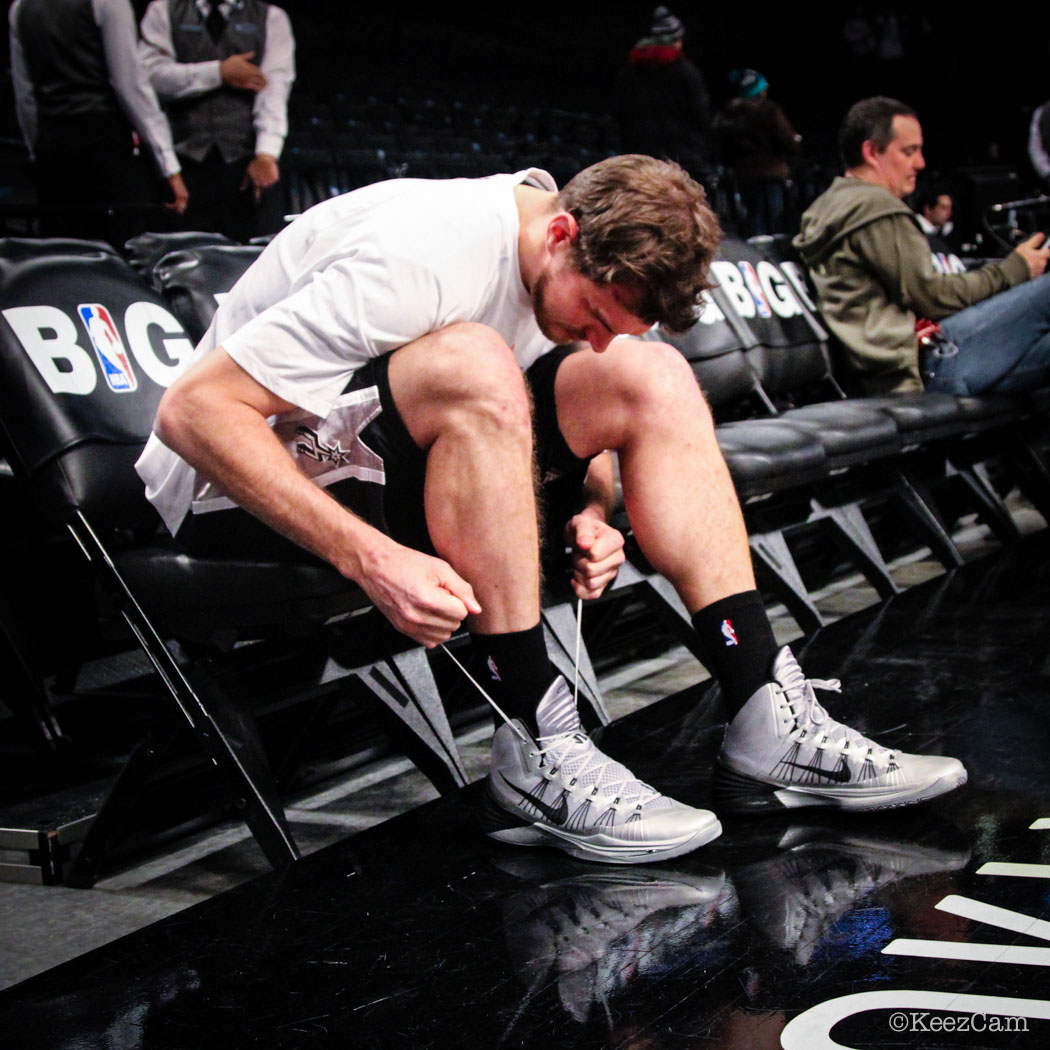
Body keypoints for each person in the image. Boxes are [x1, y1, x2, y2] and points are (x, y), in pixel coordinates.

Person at [136, 156, 967, 866]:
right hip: (232, 489)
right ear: (563, 234)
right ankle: (536, 746)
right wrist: (372, 559)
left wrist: (596, 505)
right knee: (472, 359)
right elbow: (194, 414)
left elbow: (566, 402)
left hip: (390, 457)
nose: (597, 338)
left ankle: (765, 720)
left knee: (651, 377)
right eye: (597, 317)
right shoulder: (420, 256)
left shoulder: (552, 263)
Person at [795, 96, 1050, 396]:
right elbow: (934, 296)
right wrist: (1016, 269)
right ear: (872, 152)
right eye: (909, 151)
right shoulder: (876, 208)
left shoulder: (828, 206)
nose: (921, 163)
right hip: (930, 365)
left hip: (897, 368)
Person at [8, 0, 188, 242]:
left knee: (63, 255)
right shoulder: (109, 2)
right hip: (104, 145)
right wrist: (168, 165)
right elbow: (129, 86)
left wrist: (37, 151)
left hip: (52, 147)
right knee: (116, 255)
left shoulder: (20, 7)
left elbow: (26, 98)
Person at [139, 0, 295, 240]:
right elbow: (148, 76)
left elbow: (274, 89)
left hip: (245, 161)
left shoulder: (271, 17)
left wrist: (266, 154)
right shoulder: (164, 10)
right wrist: (219, 73)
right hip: (182, 164)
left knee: (254, 258)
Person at [616, 6, 716, 186]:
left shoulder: (629, 73)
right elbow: (702, 117)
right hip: (684, 161)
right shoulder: (687, 73)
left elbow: (621, 115)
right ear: (675, 40)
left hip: (641, 160)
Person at [713, 68, 801, 235]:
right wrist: (796, 142)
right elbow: (787, 142)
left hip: (743, 176)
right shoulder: (770, 111)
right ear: (759, 90)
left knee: (753, 217)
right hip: (772, 174)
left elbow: (721, 147)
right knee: (775, 220)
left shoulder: (728, 115)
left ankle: (755, 255)